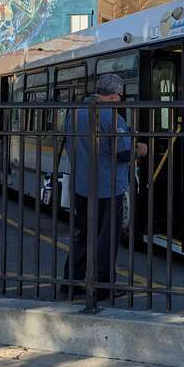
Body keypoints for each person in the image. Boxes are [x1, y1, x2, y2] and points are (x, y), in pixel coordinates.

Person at [61, 73, 147, 300]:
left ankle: (72, 281)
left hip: (81, 185)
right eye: (120, 95)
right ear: (113, 94)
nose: (120, 99)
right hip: (107, 187)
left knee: (82, 234)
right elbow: (121, 154)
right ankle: (103, 286)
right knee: (106, 238)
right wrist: (139, 150)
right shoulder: (111, 116)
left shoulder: (75, 112)